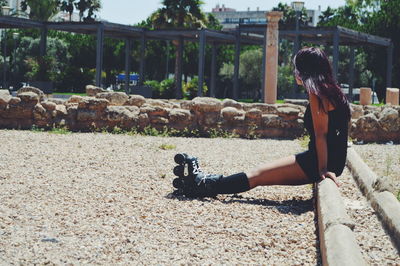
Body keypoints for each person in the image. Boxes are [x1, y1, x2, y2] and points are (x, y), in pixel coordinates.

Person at [174, 47, 351, 198]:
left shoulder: (317, 93)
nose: (294, 72)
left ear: (304, 71)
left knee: (256, 176)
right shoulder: (333, 92)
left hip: (319, 162)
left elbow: (321, 133)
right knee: (258, 172)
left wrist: (322, 170)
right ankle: (205, 181)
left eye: (296, 67)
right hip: (326, 159)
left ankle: (202, 184)